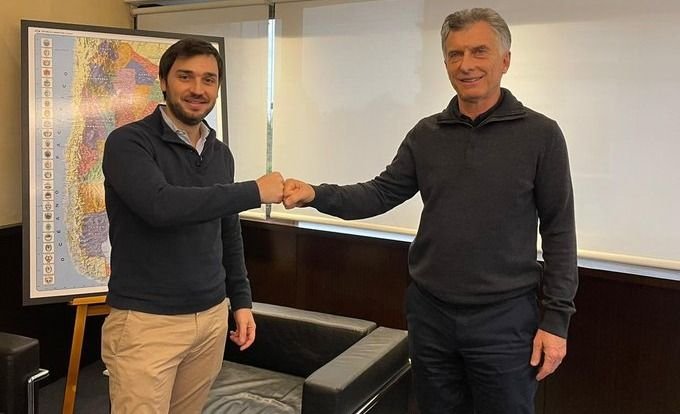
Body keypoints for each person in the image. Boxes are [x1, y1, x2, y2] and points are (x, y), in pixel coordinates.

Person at [283, 8, 577, 414]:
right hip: (431, 315)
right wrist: (316, 194)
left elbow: (559, 230)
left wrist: (556, 321)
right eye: (455, 54)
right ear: (445, 64)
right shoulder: (426, 134)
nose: (466, 64)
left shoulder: (541, 135)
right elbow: (379, 193)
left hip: (504, 321)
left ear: (505, 60)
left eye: (479, 51)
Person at [101, 38, 284, 413]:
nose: (198, 89)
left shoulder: (220, 153)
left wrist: (241, 302)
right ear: (163, 81)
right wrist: (253, 191)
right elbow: (160, 205)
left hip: (211, 318)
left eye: (208, 79)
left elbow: (228, 233)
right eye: (185, 77)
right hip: (147, 322)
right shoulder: (128, 143)